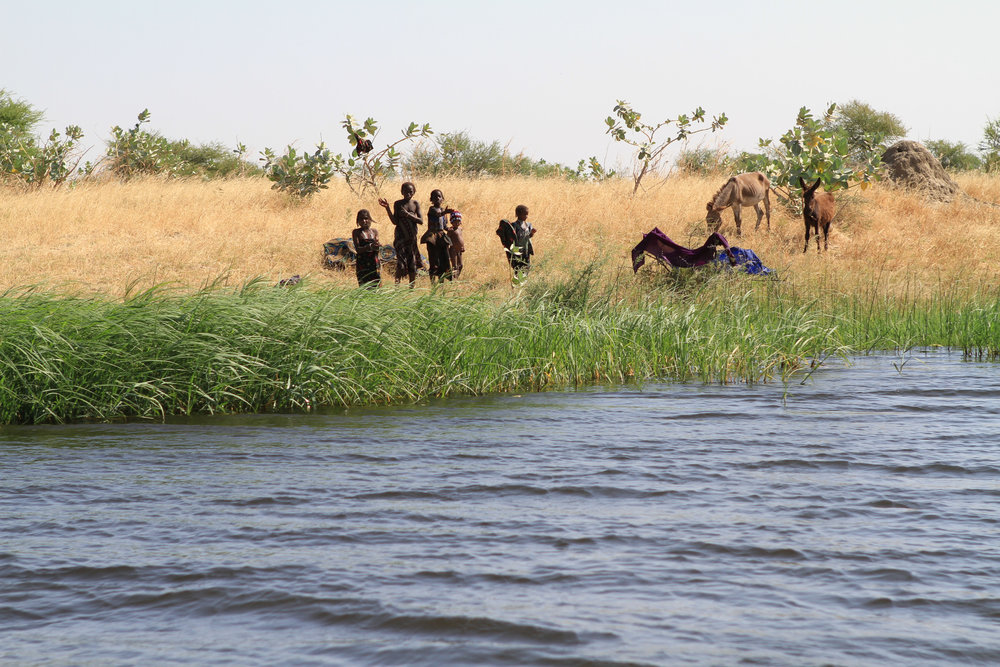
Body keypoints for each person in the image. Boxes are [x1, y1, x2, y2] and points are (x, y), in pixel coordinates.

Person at [378, 182, 423, 287]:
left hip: (412, 238)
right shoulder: (398, 204)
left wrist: (408, 215)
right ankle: (397, 287)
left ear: (414, 192)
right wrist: (387, 208)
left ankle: (412, 287)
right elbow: (395, 221)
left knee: (412, 264)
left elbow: (421, 221)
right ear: (402, 192)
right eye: (406, 191)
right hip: (400, 238)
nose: (408, 194)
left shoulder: (415, 204)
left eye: (410, 191)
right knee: (401, 264)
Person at [496, 204, 536, 280]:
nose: (527, 216)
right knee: (518, 268)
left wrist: (532, 233)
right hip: (517, 251)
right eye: (525, 214)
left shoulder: (528, 225)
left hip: (526, 250)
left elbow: (529, 236)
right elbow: (512, 238)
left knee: (526, 267)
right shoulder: (514, 226)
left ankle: (523, 282)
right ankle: (517, 283)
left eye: (527, 214)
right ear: (519, 214)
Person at [423, 189, 454, 283]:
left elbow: (444, 225)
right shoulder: (432, 209)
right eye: (434, 197)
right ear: (431, 199)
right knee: (433, 260)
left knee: (443, 259)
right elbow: (437, 215)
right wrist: (445, 212)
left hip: (441, 236)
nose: (437, 198)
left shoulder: (443, 211)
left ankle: (441, 282)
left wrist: (448, 229)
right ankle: (432, 283)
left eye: (439, 196)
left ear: (442, 199)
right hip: (432, 236)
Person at [351, 209, 381, 287]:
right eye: (361, 219)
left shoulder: (374, 231)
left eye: (366, 218)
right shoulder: (356, 232)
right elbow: (358, 249)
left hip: (374, 262)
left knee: (376, 284)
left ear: (370, 219)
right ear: (358, 221)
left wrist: (378, 246)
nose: (364, 221)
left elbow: (377, 248)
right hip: (363, 262)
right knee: (364, 285)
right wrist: (370, 246)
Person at [447, 210, 465, 278]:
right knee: (454, 266)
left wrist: (463, 247)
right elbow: (447, 239)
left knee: (460, 265)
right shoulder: (451, 230)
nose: (457, 223)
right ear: (451, 222)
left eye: (458, 221)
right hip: (453, 250)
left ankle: (456, 277)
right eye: (455, 221)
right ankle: (453, 279)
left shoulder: (460, 229)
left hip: (459, 250)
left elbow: (461, 238)